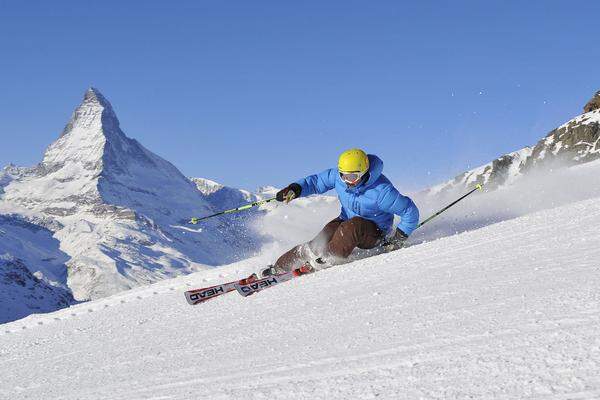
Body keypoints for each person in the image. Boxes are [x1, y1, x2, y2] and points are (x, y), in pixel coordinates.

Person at [264, 148, 419, 276]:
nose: (346, 181)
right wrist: (295, 189)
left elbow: (410, 211)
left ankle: (328, 258)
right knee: (322, 239)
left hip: (375, 232)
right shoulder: (339, 178)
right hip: (346, 221)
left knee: (353, 226)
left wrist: (398, 238)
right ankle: (279, 267)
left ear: (364, 173)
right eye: (343, 175)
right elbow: (316, 182)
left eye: (351, 177)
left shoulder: (382, 191)